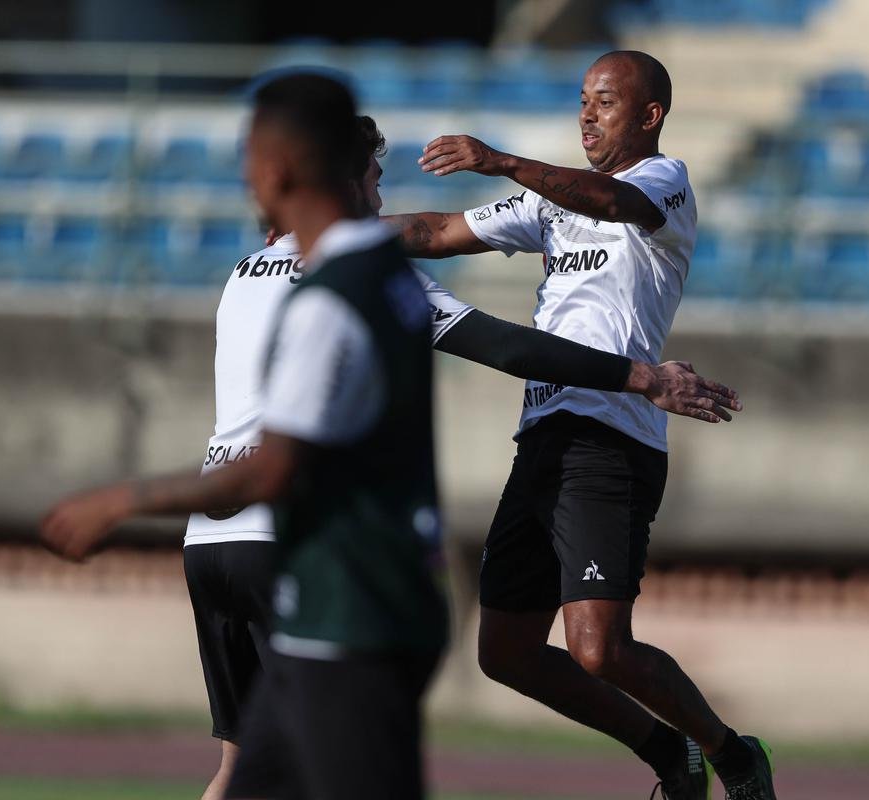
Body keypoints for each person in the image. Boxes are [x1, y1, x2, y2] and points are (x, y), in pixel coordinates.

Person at [184, 113, 742, 799]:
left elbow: (423, 235)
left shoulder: (244, 271)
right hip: (290, 544)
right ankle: (701, 754)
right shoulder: (369, 275)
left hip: (208, 542)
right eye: (375, 183)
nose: (384, 201)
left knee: (239, 767)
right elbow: (500, 345)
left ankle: (695, 753)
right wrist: (642, 376)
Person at [384, 50, 777, 800]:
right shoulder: (551, 205)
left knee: (598, 649)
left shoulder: (664, 185)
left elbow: (608, 203)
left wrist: (499, 160)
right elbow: (435, 232)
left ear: (650, 115)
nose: (586, 116)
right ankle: (670, 752)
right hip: (545, 435)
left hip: (612, 436)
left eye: (603, 102)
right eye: (582, 102)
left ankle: (730, 752)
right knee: (505, 653)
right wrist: (329, 236)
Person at [42, 71, 444, 799]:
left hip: (348, 612)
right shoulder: (388, 280)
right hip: (355, 601)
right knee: (253, 780)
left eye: (249, 158)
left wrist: (124, 500)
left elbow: (270, 471)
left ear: (279, 167)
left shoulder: (324, 299)